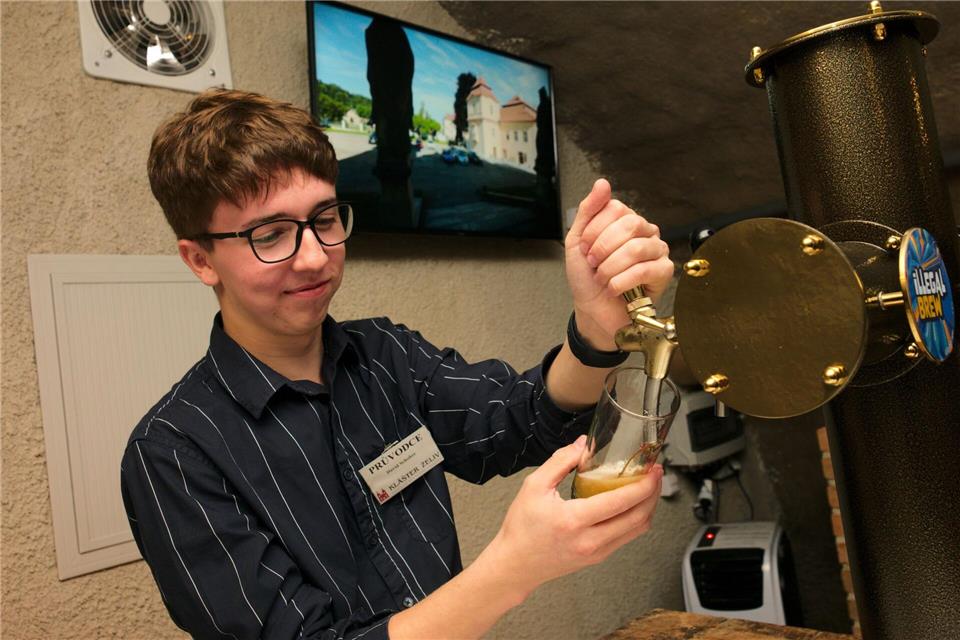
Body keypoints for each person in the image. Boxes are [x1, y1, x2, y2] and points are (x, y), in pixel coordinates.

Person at [121, 89, 674, 640]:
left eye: (325, 219)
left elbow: (520, 418)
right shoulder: (173, 452)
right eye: (271, 235)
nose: (315, 256)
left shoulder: (385, 356)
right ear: (200, 259)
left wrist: (597, 330)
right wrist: (513, 567)